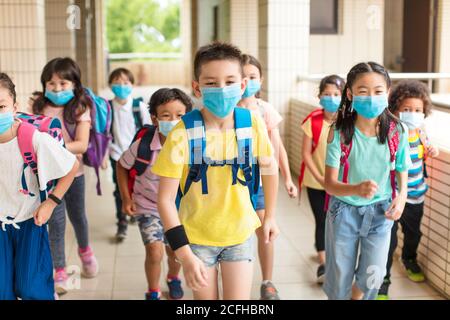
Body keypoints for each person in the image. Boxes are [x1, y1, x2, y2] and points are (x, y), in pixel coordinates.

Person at [152, 42, 280, 300]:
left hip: (240, 234)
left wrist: (270, 217)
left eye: (230, 81)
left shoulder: (250, 124)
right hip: (197, 238)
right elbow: (165, 199)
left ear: (242, 85)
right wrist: (185, 255)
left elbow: (269, 168)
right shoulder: (182, 133)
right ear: (197, 87)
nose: (221, 89)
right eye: (211, 83)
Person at [323, 62, 411, 300]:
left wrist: (401, 197)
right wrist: (355, 188)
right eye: (363, 91)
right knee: (340, 274)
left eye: (378, 91)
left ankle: (357, 296)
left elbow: (402, 167)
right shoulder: (339, 132)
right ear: (350, 94)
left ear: (388, 92)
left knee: (374, 273)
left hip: (381, 212)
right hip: (343, 212)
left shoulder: (396, 131)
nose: (371, 97)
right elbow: (329, 184)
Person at [0, 72, 78, 300]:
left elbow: (71, 166)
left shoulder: (32, 138)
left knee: (32, 289)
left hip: (29, 223)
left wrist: (50, 203)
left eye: (1, 106)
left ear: (15, 107)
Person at [116, 88, 192, 300]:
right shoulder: (144, 145)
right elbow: (121, 166)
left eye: (180, 115)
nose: (174, 120)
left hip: (178, 209)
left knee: (175, 251)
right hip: (148, 206)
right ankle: (153, 291)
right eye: (166, 115)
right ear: (155, 118)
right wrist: (126, 197)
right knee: (155, 251)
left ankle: (173, 278)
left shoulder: (192, 145)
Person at [33, 57, 99, 295]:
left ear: (75, 83)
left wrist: (50, 147)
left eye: (63, 83)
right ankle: (59, 269)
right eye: (51, 84)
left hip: (75, 174)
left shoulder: (80, 108)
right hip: (50, 177)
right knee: (56, 222)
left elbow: (81, 144)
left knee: (78, 217)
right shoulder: (38, 107)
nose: (57, 88)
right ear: (44, 85)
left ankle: (85, 251)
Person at [237, 53, 297, 299]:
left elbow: (277, 147)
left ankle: (267, 281)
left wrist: (288, 178)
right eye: (243, 76)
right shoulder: (227, 111)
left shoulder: (266, 110)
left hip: (259, 184)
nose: (248, 81)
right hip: (232, 184)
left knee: (265, 232)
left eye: (253, 76)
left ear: (260, 79)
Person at [377, 80, 440, 300]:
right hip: (392, 199)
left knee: (413, 234)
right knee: (389, 240)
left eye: (417, 110)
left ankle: (409, 259)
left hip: (416, 196)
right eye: (406, 110)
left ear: (424, 112)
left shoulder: (421, 133)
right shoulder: (391, 132)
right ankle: (383, 278)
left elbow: (430, 150)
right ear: (394, 109)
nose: (412, 114)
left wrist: (431, 150)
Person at [300, 75, 345, 283]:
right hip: (314, 181)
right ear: (319, 96)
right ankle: (324, 263)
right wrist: (319, 177)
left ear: (345, 96)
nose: (332, 98)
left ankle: (336, 257)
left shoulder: (348, 122)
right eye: (327, 94)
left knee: (337, 222)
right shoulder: (313, 121)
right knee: (322, 220)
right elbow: (306, 154)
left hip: (340, 184)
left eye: (336, 94)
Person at [106, 68, 151, 241]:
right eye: (117, 82)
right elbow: (103, 132)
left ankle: (134, 211)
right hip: (116, 154)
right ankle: (121, 222)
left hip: (138, 155)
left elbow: (148, 129)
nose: (121, 86)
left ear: (132, 85)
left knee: (136, 186)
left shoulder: (138, 107)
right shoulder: (108, 108)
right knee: (120, 190)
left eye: (126, 82)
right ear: (110, 85)